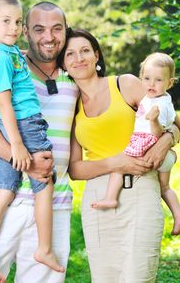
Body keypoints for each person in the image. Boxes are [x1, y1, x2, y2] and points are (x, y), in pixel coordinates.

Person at [0, 5, 172, 283]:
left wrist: (168, 138)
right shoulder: (9, 65)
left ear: (65, 32)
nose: (49, 37)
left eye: (57, 29)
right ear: (26, 32)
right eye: (39, 29)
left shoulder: (75, 77)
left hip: (55, 203)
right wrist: (25, 164)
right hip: (2, 195)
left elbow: (156, 107)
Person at [58, 28, 179, 283]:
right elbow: (76, 169)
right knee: (104, 278)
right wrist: (116, 162)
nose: (78, 58)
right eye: (70, 54)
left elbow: (174, 120)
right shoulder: (71, 105)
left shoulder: (124, 84)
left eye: (84, 51)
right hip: (98, 199)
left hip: (141, 189)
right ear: (64, 64)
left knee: (139, 275)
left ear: (96, 55)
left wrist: (167, 139)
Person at [0, 0, 65, 283]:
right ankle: (44, 248)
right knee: (44, 181)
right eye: (6, 21)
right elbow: (2, 104)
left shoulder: (7, 52)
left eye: (16, 22)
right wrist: (16, 145)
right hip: (24, 124)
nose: (13, 28)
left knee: (4, 190)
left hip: (19, 125)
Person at [91, 52, 180, 235]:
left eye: (158, 80)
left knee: (118, 166)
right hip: (164, 156)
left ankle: (110, 198)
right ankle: (178, 216)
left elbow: (157, 134)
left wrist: (153, 120)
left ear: (170, 83)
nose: (151, 84)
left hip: (147, 144)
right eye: (147, 78)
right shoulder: (164, 100)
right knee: (165, 187)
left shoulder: (158, 106)